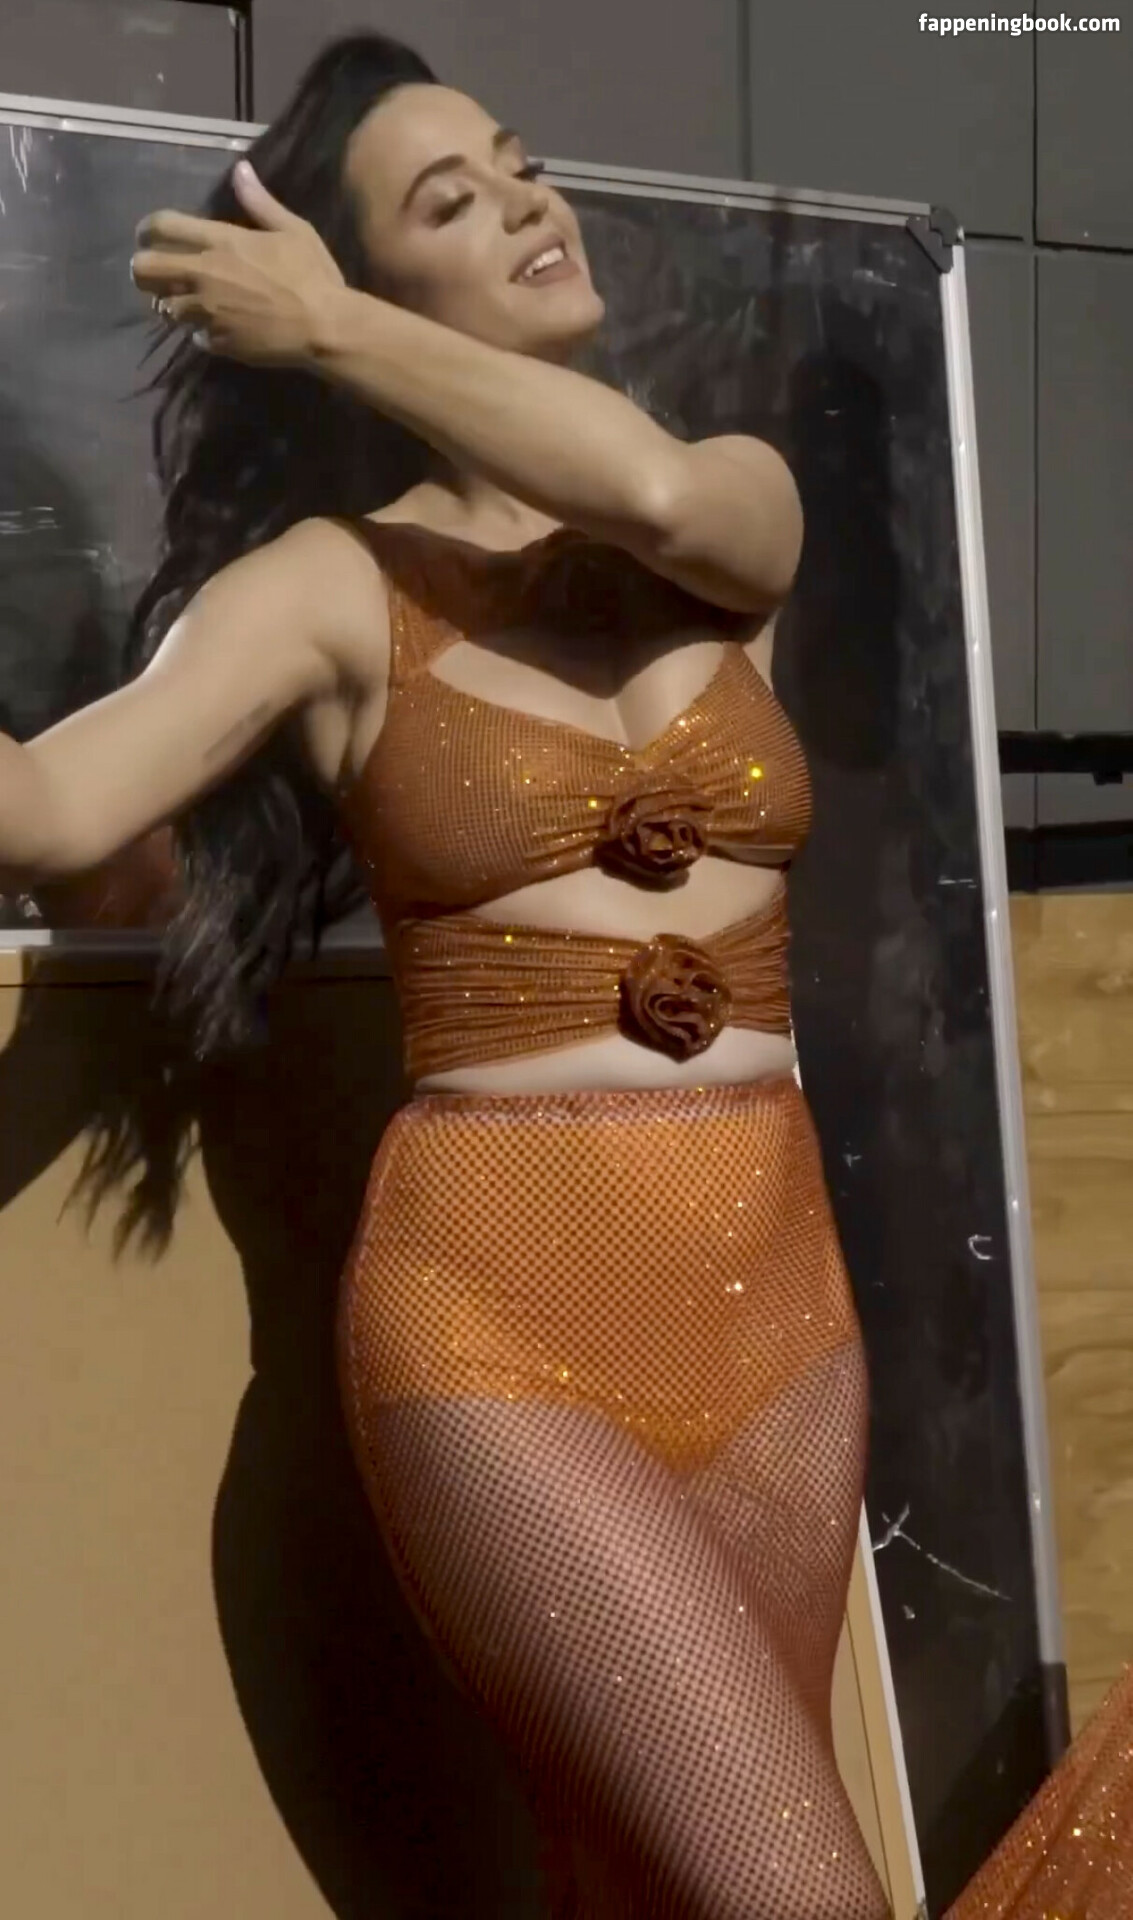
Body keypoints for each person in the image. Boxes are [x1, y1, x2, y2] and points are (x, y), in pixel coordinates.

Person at [0, 33, 886, 1917]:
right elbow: (52, 805)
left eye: (517, 160)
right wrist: (328, 341)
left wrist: (329, 329)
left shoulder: (724, 500)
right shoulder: (327, 588)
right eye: (446, 201)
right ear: (354, 284)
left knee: (638, 1889)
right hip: (497, 1328)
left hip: (781, 1320)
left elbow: (657, 497)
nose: (524, 201)